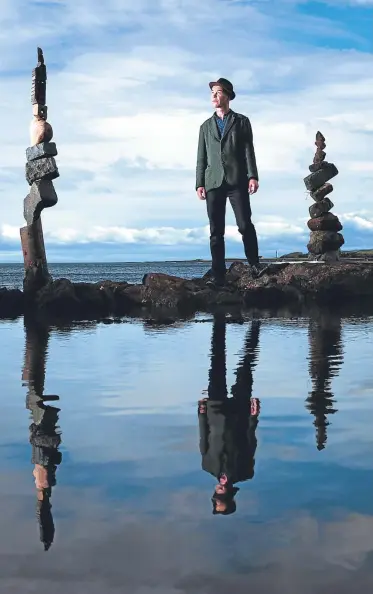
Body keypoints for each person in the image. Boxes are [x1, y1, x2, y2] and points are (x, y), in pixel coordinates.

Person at [196, 77, 262, 286]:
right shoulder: (205, 126)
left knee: (244, 224)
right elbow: (201, 157)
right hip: (213, 181)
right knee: (216, 230)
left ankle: (254, 264)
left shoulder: (242, 121)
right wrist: (199, 183)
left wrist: (253, 176)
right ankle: (218, 273)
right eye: (212, 93)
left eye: (217, 92)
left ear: (227, 95)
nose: (213, 96)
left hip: (237, 180)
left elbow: (248, 151)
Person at [198, 314, 261, 515]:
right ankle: (256, 322)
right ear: (231, 495)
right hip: (240, 415)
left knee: (217, 361)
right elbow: (251, 443)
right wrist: (254, 417)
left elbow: (203, 439)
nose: (219, 494)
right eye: (222, 498)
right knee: (247, 365)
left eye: (216, 498)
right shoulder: (246, 472)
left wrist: (201, 413)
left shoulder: (207, 466)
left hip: (215, 411)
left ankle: (219, 320)